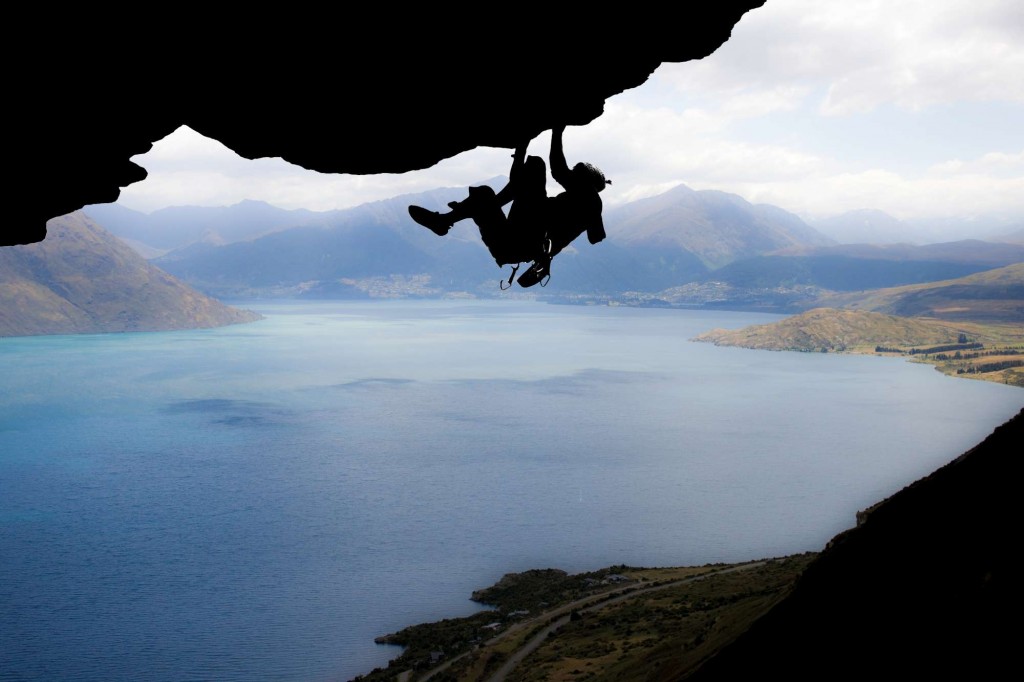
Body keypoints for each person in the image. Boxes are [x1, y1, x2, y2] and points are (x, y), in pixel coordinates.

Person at [408, 125, 610, 288]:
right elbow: (595, 237)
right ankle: (443, 222)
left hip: (520, 240)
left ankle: (455, 215)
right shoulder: (586, 205)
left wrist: (556, 131)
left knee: (534, 167)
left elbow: (556, 169)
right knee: (485, 195)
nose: (571, 171)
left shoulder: (587, 197)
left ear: (585, 180)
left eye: (577, 170)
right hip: (512, 245)